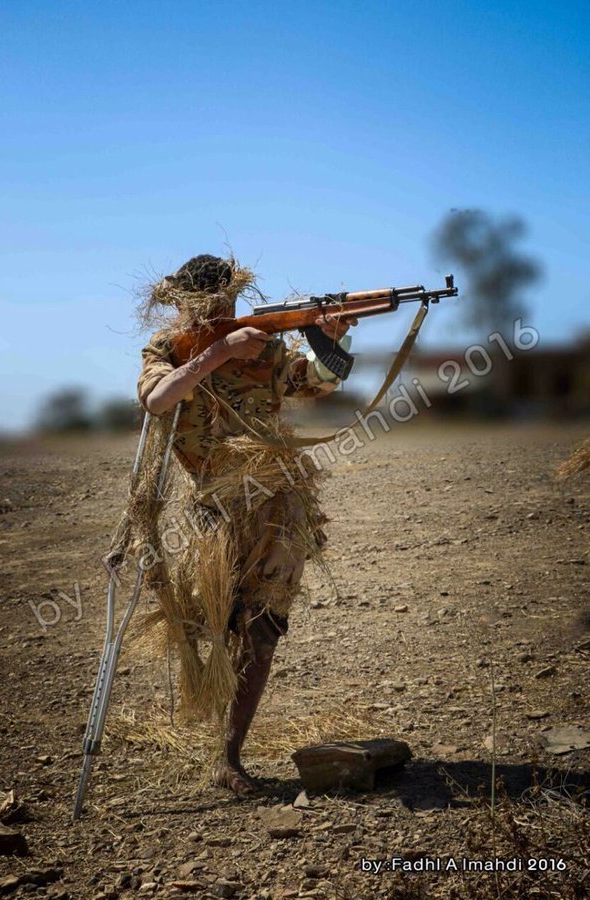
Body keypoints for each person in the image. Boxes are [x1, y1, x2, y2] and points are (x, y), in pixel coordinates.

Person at [137, 254, 355, 795]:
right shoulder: (169, 348)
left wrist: (332, 340)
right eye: (211, 304)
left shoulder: (269, 347)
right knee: (212, 623)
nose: (225, 311)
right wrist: (218, 352)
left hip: (276, 502)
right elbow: (158, 399)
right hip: (212, 507)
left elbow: (320, 382)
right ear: (186, 305)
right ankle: (212, 727)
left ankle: (228, 757)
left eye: (229, 302)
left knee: (263, 626)